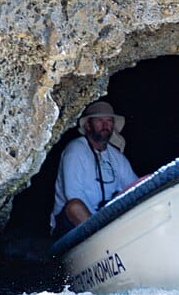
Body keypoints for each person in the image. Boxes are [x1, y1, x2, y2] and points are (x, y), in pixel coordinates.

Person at [51, 100, 138, 239]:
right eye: (99, 120)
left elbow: (135, 188)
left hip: (106, 222)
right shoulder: (75, 150)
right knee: (74, 206)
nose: (105, 125)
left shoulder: (117, 157)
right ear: (87, 125)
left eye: (109, 120)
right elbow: (73, 195)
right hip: (73, 225)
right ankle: (102, 241)